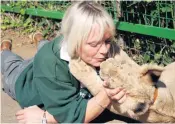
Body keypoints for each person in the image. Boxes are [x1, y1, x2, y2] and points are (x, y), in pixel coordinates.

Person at [1, 1, 139, 123]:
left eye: (107, 41)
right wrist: (105, 96)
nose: (104, 50)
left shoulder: (101, 45)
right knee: (10, 64)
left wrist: (46, 117)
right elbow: (72, 116)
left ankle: (39, 38)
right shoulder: (50, 63)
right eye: (94, 44)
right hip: (26, 78)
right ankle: (4, 49)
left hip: (51, 57)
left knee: (46, 47)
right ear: (74, 40)